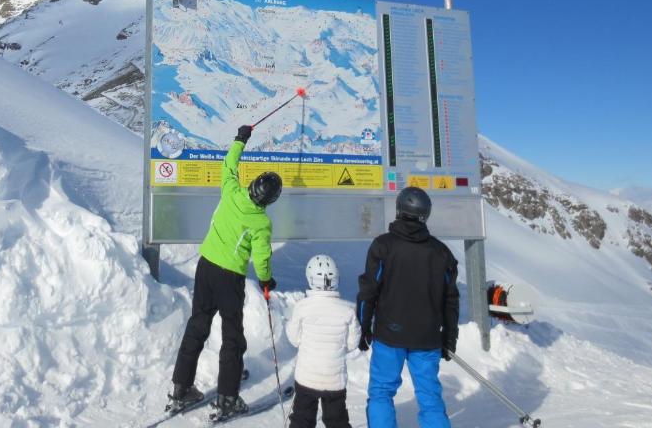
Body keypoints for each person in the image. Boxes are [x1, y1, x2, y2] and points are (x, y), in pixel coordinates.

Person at [168, 124, 282, 421]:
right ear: (269, 201)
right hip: (229, 278)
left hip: (205, 267)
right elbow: (262, 258)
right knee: (233, 336)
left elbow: (229, 164)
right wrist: (267, 280)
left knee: (198, 324)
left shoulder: (231, 192)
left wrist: (240, 139)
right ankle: (228, 398)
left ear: (253, 184)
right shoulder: (261, 224)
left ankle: (181, 388)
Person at [357, 186, 459, 428]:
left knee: (381, 392)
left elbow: (368, 290)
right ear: (426, 214)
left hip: (389, 334)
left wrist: (364, 326)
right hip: (427, 338)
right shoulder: (442, 253)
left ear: (399, 210)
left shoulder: (383, 246)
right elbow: (451, 300)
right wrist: (449, 337)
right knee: (429, 397)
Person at [284, 254, 361, 428]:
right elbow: (352, 342)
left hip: (306, 377)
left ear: (310, 279)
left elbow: (294, 338)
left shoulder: (302, 307)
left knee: (302, 419)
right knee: (337, 421)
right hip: (334, 379)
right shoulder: (347, 310)